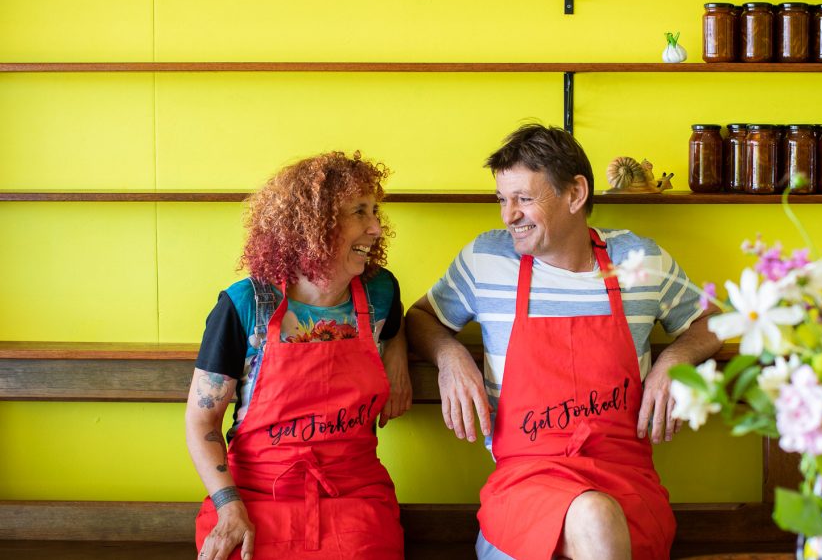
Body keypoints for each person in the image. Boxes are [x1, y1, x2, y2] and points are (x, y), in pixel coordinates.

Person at [407, 124, 722, 560]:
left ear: (576, 193)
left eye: (524, 198)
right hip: (523, 487)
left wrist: (674, 361)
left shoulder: (639, 261)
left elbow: (712, 322)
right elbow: (421, 317)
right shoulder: (485, 259)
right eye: (502, 199)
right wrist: (449, 356)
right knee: (592, 515)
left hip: (627, 485)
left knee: (596, 514)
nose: (508, 215)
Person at [185, 151, 410, 560]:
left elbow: (396, 329)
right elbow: (201, 421)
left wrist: (398, 353)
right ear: (313, 225)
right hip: (255, 494)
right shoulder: (246, 304)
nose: (376, 228)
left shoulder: (381, 294)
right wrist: (228, 506)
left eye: (375, 211)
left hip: (354, 496)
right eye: (360, 211)